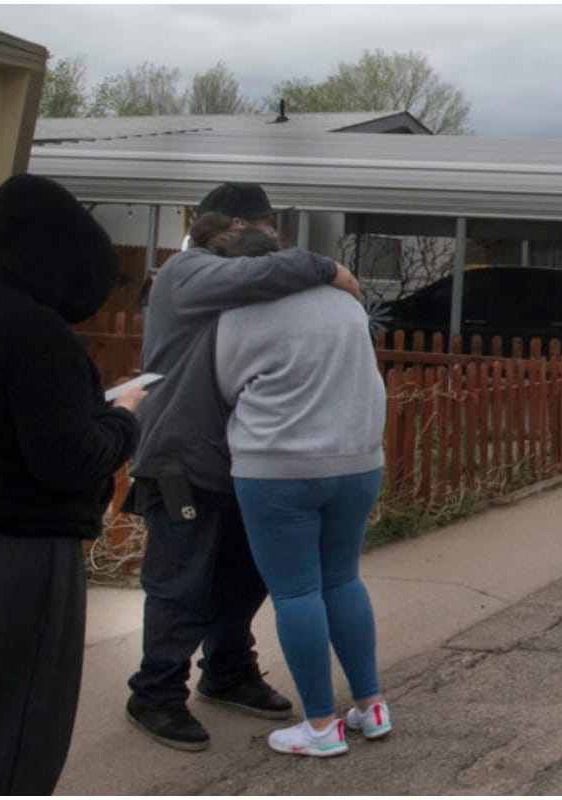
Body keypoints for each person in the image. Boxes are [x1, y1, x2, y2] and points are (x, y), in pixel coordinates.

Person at [124, 182, 362, 752]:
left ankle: (227, 669)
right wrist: (326, 267)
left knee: (246, 573)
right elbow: (259, 276)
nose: (270, 241)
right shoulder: (186, 272)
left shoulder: (246, 274)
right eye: (261, 227)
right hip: (181, 453)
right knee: (181, 582)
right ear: (225, 225)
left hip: (244, 454)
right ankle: (155, 692)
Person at [0, 174, 147, 794]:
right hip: (20, 560)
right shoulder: (37, 335)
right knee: (13, 741)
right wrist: (122, 418)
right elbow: (67, 458)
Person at [208, 219, 391, 757]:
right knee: (343, 581)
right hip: (357, 461)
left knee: (296, 593)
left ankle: (318, 724)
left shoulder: (239, 311)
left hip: (278, 467)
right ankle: (370, 707)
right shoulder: (343, 303)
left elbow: (224, 385)